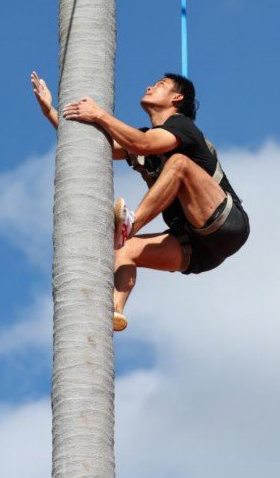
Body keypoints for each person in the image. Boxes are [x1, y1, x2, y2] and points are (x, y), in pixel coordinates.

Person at [31, 71, 250, 332]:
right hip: (199, 251)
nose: (149, 86)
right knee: (125, 250)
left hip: (228, 224)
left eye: (160, 85)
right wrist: (51, 113)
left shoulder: (182, 126)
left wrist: (99, 114)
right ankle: (115, 311)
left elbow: (143, 144)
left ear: (176, 97)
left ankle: (131, 224)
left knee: (179, 164)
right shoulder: (146, 137)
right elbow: (104, 147)